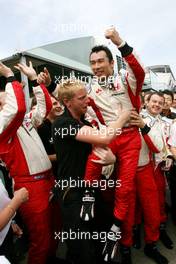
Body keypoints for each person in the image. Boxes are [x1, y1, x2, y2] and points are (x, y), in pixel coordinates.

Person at [52, 79, 131, 264]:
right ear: (67, 102)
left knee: (99, 237)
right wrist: (123, 116)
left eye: (87, 95)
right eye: (82, 98)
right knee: (81, 247)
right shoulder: (62, 124)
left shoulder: (85, 121)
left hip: (91, 189)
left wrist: (112, 158)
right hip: (72, 193)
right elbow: (104, 138)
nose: (87, 100)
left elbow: (100, 150)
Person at [0, 61, 60, 264]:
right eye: (2, 103)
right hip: (30, 187)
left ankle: (51, 259)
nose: (5, 105)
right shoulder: (3, 127)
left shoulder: (23, 120)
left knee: (55, 230)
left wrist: (35, 80)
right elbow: (16, 108)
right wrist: (9, 75)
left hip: (48, 181)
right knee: (40, 241)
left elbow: (46, 107)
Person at [130, 94, 169, 264]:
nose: (157, 105)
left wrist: (167, 157)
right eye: (154, 101)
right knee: (134, 206)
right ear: (146, 102)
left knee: (155, 206)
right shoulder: (134, 117)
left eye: (160, 103)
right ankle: (135, 233)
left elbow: (162, 145)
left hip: (153, 167)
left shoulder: (164, 122)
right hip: (133, 168)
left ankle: (152, 242)